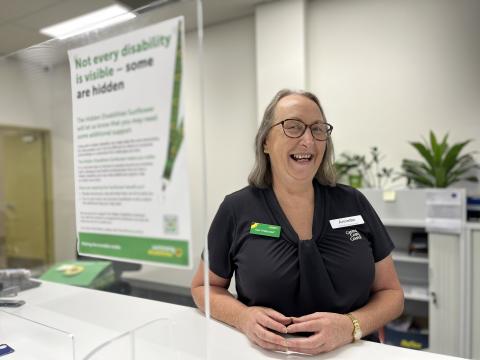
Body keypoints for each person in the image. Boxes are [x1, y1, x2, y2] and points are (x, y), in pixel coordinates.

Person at [191, 89, 404, 355]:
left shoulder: (353, 203)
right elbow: (203, 287)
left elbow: (392, 294)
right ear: (266, 141)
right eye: (293, 127)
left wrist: (350, 326)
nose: (308, 141)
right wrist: (243, 317)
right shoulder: (237, 209)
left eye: (318, 129)